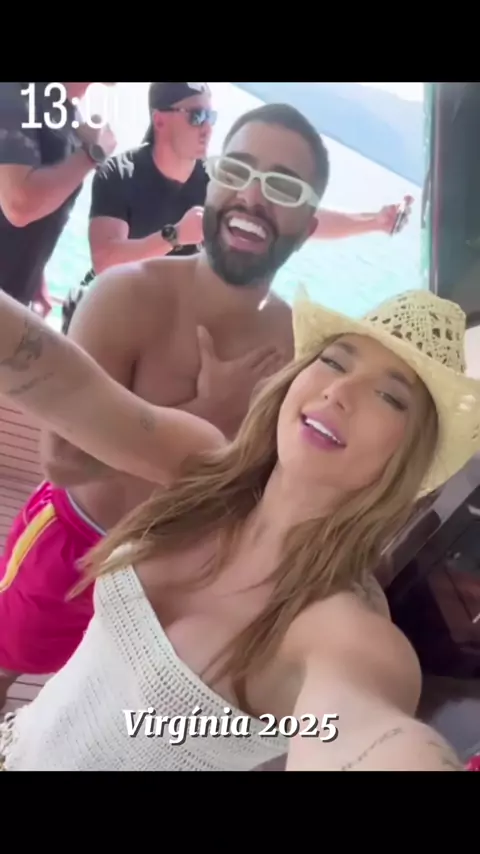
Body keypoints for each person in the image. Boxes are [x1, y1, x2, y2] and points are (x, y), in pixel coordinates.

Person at [0, 283, 476, 771]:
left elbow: (368, 731)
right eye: (334, 362)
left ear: (410, 458)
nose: (339, 392)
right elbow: (69, 386)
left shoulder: (346, 633)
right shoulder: (203, 471)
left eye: (389, 396)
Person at [0, 102, 329, 707]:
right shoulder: (126, 295)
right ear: (212, 182)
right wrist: (209, 410)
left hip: (170, 577)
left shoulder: (298, 352)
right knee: (6, 659)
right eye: (237, 170)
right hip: (76, 542)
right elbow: (64, 461)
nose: (252, 196)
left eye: (283, 187)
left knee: (89, 707)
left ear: (308, 227)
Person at [62, 81, 412, 332]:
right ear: (160, 120)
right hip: (110, 313)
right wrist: (173, 236)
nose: (207, 128)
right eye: (197, 116)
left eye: (211, 117)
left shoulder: (217, 180)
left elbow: (292, 212)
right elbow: (105, 260)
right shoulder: (120, 174)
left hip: (169, 324)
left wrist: (374, 221)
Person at [0, 81, 117, 316]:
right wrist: (92, 155)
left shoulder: (64, 111)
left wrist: (36, 276)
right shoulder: (15, 91)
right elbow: (19, 204)